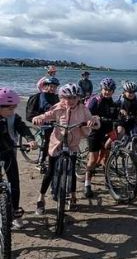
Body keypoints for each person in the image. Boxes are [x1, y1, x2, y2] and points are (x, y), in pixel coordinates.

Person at [32, 83, 100, 215]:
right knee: (50, 171)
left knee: (72, 169)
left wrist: (94, 122)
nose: (70, 101)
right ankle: (41, 198)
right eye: (67, 97)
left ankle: (73, 196)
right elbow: (47, 115)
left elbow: (94, 120)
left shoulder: (83, 109)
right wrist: (39, 118)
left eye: (73, 98)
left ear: (78, 98)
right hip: (57, 143)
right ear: (62, 97)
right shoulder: (58, 107)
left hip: (73, 144)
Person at [0, 88, 37, 228]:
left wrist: (30, 139)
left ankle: (15, 210)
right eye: (10, 108)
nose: (13, 110)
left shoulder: (12, 117)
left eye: (15, 107)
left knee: (14, 182)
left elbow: (22, 127)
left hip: (9, 152)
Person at [84, 77, 120, 198]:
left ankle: (107, 181)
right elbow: (87, 114)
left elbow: (116, 117)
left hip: (107, 133)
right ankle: (87, 184)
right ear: (101, 89)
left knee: (105, 158)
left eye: (110, 90)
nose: (107, 92)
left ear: (113, 91)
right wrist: (94, 118)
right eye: (105, 89)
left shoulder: (112, 103)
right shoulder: (95, 100)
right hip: (94, 133)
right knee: (93, 159)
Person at [35, 77, 60, 172]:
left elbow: (60, 104)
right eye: (51, 86)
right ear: (47, 86)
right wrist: (52, 108)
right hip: (44, 120)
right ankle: (40, 162)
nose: (53, 88)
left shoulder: (55, 96)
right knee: (46, 142)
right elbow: (44, 105)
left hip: (54, 121)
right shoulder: (43, 95)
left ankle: (53, 159)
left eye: (55, 87)